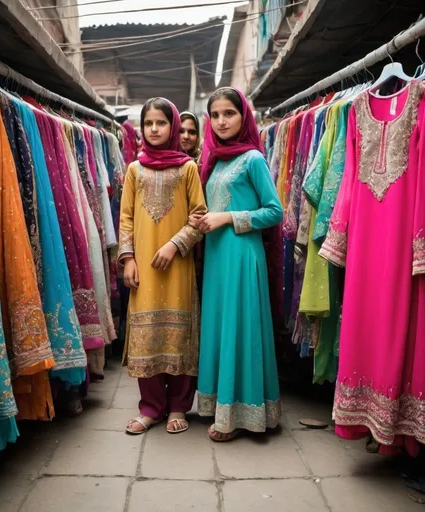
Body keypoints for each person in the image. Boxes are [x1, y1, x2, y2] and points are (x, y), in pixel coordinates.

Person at [191, 87, 283, 442]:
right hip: (217, 257)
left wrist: (228, 217)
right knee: (219, 326)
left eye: (228, 113)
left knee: (239, 327)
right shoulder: (214, 160)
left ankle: (242, 413)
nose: (221, 121)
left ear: (243, 116)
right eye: (214, 115)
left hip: (243, 256)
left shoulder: (252, 159)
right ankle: (220, 405)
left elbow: (274, 212)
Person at [118, 97, 206, 435]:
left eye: (161, 123)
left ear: (172, 127)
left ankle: (179, 406)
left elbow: (199, 215)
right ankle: (151, 407)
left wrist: (174, 244)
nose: (154, 129)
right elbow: (125, 217)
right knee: (147, 335)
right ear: (142, 128)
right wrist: (127, 259)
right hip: (143, 267)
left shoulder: (187, 168)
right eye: (149, 123)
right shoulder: (134, 169)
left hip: (178, 267)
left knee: (179, 334)